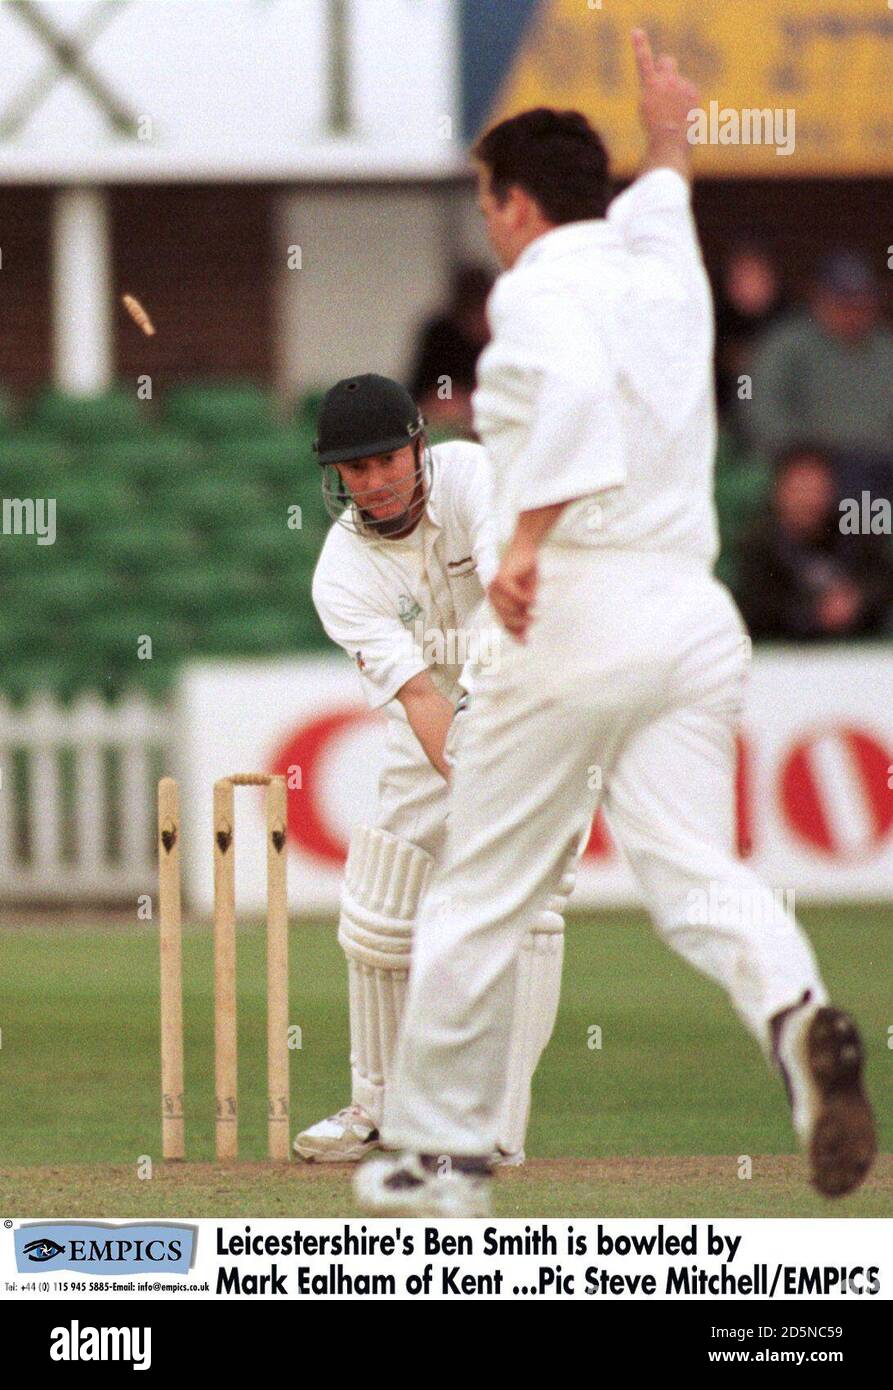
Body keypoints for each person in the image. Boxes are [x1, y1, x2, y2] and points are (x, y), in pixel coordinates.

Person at [356, 31, 876, 1218]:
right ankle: (793, 1014)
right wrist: (668, 131)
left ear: (519, 204)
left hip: (579, 602)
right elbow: (660, 198)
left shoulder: (536, 287)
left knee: (480, 887)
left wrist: (524, 546)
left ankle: (434, 1156)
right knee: (694, 869)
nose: (487, 224)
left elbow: (578, 409)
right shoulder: (662, 261)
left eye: (488, 202)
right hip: (692, 615)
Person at [292, 373, 580, 1165]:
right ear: (335, 478)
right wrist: (469, 761)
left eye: (388, 461)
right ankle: (380, 1110)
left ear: (419, 447)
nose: (376, 483)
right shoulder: (341, 574)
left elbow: (506, 593)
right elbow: (417, 693)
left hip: (540, 687)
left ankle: (490, 1129)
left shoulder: (472, 476)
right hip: (444, 716)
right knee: (378, 907)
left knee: (528, 901)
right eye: (356, 471)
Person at [744, 251, 893, 494]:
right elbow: (758, 402)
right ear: (820, 298)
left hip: (882, 462)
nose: (853, 311)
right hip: (811, 464)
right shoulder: (788, 343)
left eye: (861, 301)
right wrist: (794, 454)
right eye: (843, 301)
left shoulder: (886, 349)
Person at [735, 445, 893, 641]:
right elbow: (756, 608)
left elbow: (883, 580)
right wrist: (813, 616)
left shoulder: (855, 532)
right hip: (784, 658)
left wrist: (856, 600)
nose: (808, 500)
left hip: (859, 656)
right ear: (779, 491)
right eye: (799, 489)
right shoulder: (758, 544)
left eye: (816, 489)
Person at [407, 265, 493, 433]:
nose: (479, 326)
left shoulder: (502, 335)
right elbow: (441, 377)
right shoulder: (442, 336)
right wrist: (446, 394)